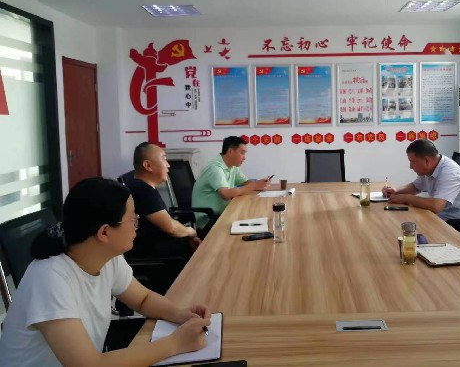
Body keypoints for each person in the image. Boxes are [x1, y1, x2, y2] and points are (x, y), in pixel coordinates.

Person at [0, 177, 211, 367]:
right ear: (104, 232)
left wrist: (179, 313)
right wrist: (175, 343)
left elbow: (143, 299)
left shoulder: (107, 257)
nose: (137, 225)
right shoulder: (49, 278)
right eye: (133, 219)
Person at [127, 142, 200, 257]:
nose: (168, 165)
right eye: (164, 159)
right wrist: (190, 232)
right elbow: (170, 228)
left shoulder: (143, 187)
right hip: (158, 257)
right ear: (148, 165)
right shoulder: (143, 191)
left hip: (163, 248)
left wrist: (186, 236)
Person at [382, 139, 460, 220]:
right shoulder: (430, 168)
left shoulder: (450, 173)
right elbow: (415, 187)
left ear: (426, 160)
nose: (410, 167)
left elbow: (436, 206)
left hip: (459, 224)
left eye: (413, 162)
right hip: (442, 217)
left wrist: (406, 198)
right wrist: (396, 191)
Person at [192, 136, 271, 232]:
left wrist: (260, 183)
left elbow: (245, 183)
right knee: (254, 221)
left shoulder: (232, 166)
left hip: (224, 213)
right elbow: (226, 194)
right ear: (230, 152)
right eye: (242, 153)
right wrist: (254, 186)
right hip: (210, 220)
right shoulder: (215, 168)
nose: (244, 158)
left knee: (257, 216)